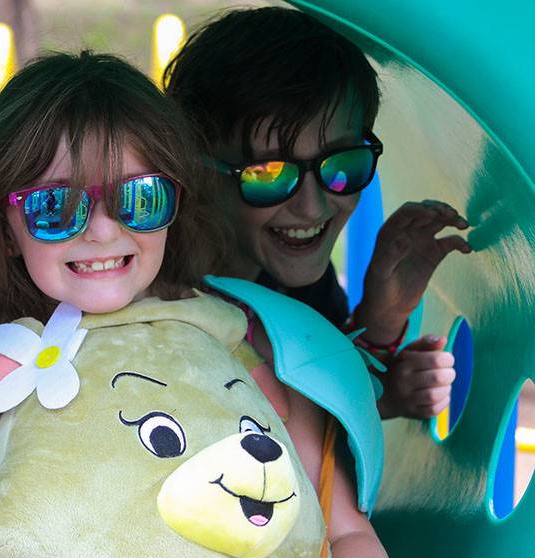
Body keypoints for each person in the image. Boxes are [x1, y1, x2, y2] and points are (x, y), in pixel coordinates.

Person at [0, 50, 395, 558]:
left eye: (139, 198)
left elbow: (350, 536)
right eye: (55, 207)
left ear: (176, 202)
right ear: (4, 227)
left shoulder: (245, 347)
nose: (103, 230)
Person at [165, 6, 471, 420]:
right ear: (195, 169)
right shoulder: (155, 291)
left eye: (342, 163)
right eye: (269, 174)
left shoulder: (297, 286)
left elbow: (320, 412)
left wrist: (381, 321)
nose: (313, 205)